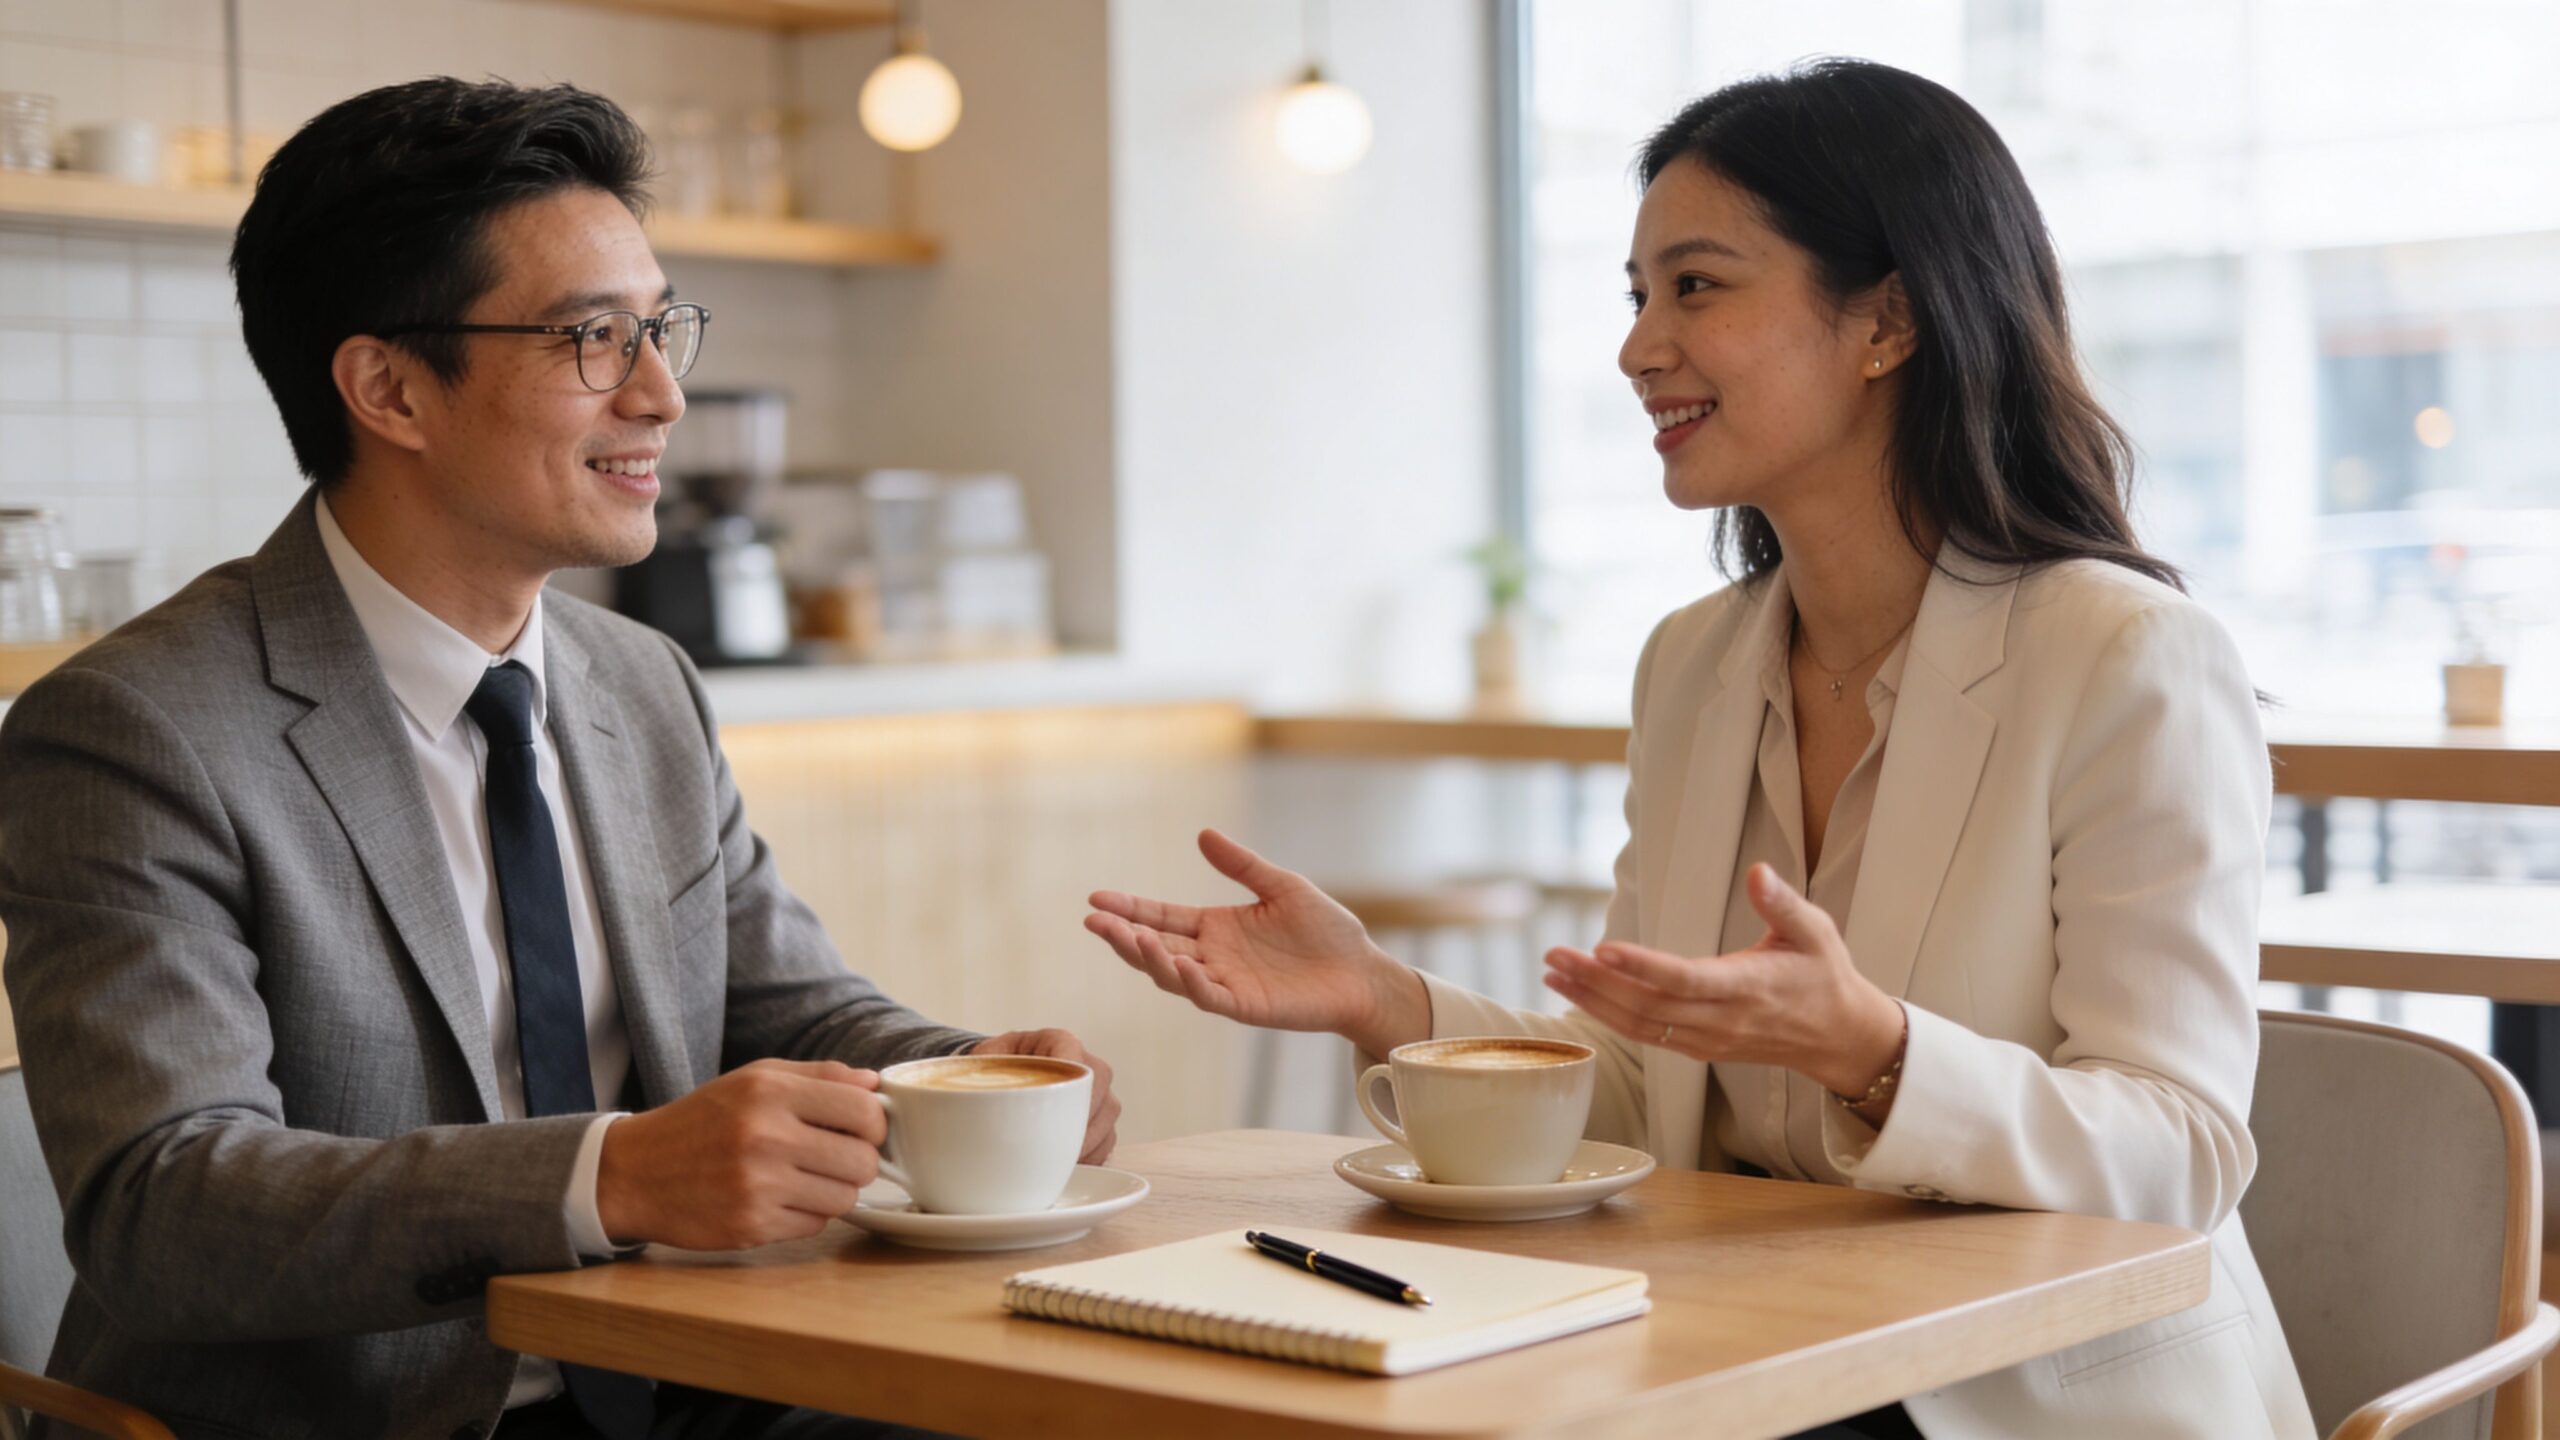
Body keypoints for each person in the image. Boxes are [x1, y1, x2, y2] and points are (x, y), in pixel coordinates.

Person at [1086, 59, 2314, 1440]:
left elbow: (2183, 1152)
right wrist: (1384, 997)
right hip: (1733, 1361)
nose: (1637, 347)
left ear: (1888, 321)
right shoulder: (1694, 663)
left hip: (2013, 1398)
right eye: (1636, 295)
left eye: (1697, 287)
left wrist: (1878, 1056)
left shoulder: (2128, 656)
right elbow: (1637, 1087)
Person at [0, 78, 1117, 1440]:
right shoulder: (137, 730)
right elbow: (164, 1206)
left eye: (659, 329)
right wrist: (616, 1176)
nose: (662, 394)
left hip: (680, 1385)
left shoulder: (638, 685)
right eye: (594, 338)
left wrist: (975, 1080)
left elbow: (796, 1020)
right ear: (389, 389)